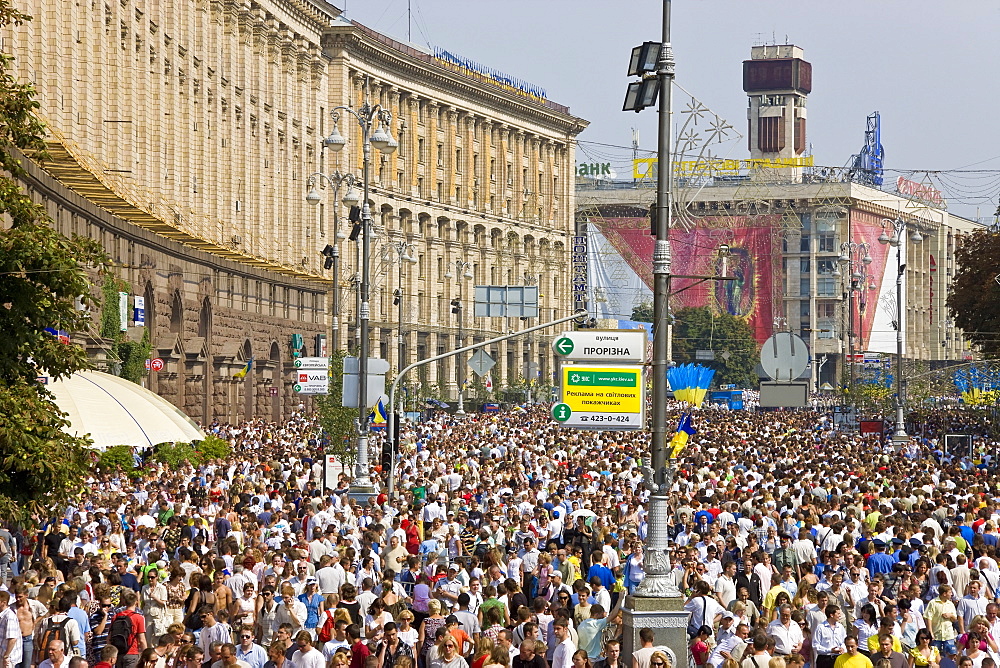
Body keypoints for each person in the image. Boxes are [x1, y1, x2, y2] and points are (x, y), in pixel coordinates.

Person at [113, 589, 147, 668]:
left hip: (118, 652)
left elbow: (109, 637)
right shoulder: (139, 617)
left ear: (124, 602)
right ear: (136, 602)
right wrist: (146, 654)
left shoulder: (116, 616)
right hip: (132, 653)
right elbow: (142, 639)